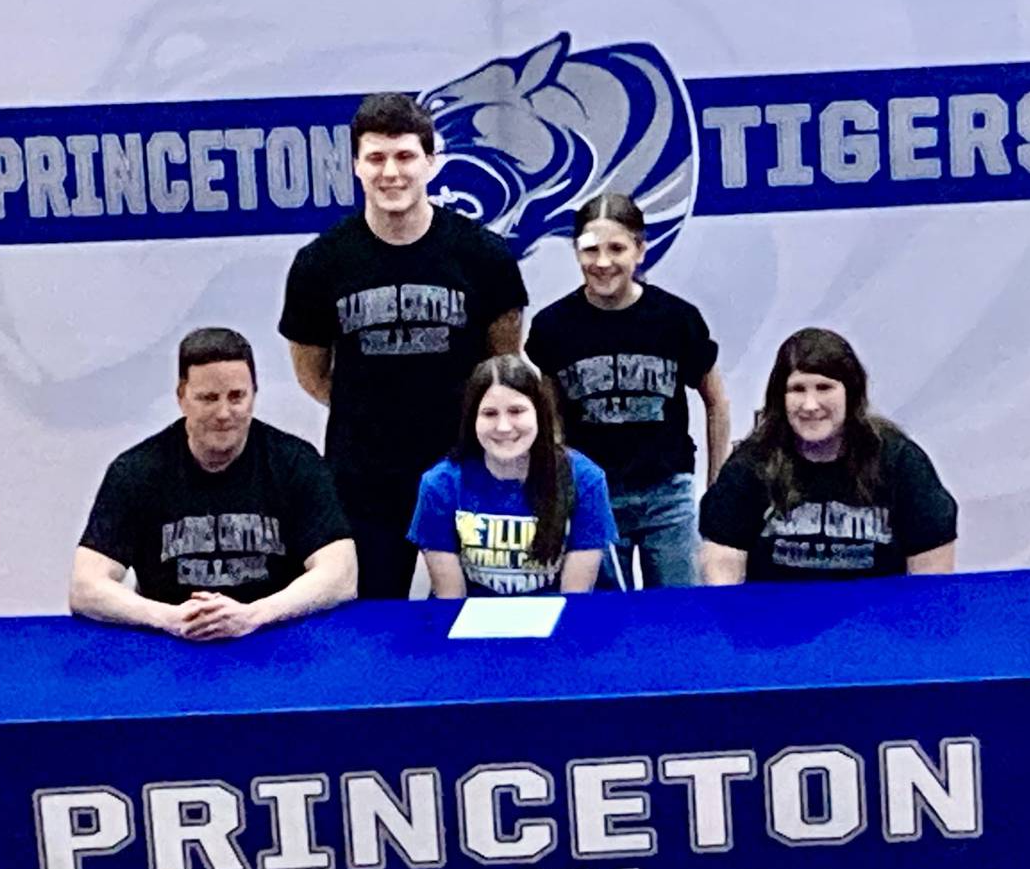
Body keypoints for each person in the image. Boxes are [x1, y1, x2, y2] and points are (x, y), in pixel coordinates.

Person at [280, 92, 529, 599]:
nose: (390, 172)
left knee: (475, 618)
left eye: (405, 156)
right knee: (370, 621)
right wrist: (375, 408)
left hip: (466, 469)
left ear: (431, 162)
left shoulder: (484, 256)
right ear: (355, 165)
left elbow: (502, 365)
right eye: (375, 157)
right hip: (363, 480)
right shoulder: (319, 264)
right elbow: (312, 374)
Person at [70, 327, 357, 639]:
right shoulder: (137, 471)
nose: (224, 413)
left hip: (274, 641)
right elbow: (85, 587)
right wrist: (170, 618)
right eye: (208, 398)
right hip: (170, 647)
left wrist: (253, 615)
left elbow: (341, 574)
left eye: (237, 397)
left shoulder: (295, 463)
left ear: (254, 395)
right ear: (182, 398)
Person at [525, 193, 729, 589]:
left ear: (640, 250)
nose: (603, 262)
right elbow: (551, 418)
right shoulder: (553, 327)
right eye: (590, 249)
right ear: (575, 253)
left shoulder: (676, 320)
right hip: (593, 497)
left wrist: (716, 485)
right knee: (603, 621)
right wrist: (560, 488)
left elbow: (716, 401)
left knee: (678, 615)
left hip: (667, 494)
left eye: (617, 248)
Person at [699, 327, 957, 584]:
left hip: (876, 622)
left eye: (824, 387)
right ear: (781, 398)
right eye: (798, 389)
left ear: (851, 393)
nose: (810, 405)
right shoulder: (751, 463)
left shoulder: (901, 461)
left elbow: (931, 580)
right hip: (776, 622)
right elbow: (722, 567)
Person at [410, 355, 617, 597]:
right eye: (489, 414)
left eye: (516, 411)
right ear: (472, 419)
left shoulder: (586, 480)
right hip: (474, 622)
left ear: (539, 413)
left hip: (557, 621)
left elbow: (574, 598)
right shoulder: (439, 485)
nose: (504, 427)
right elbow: (451, 600)